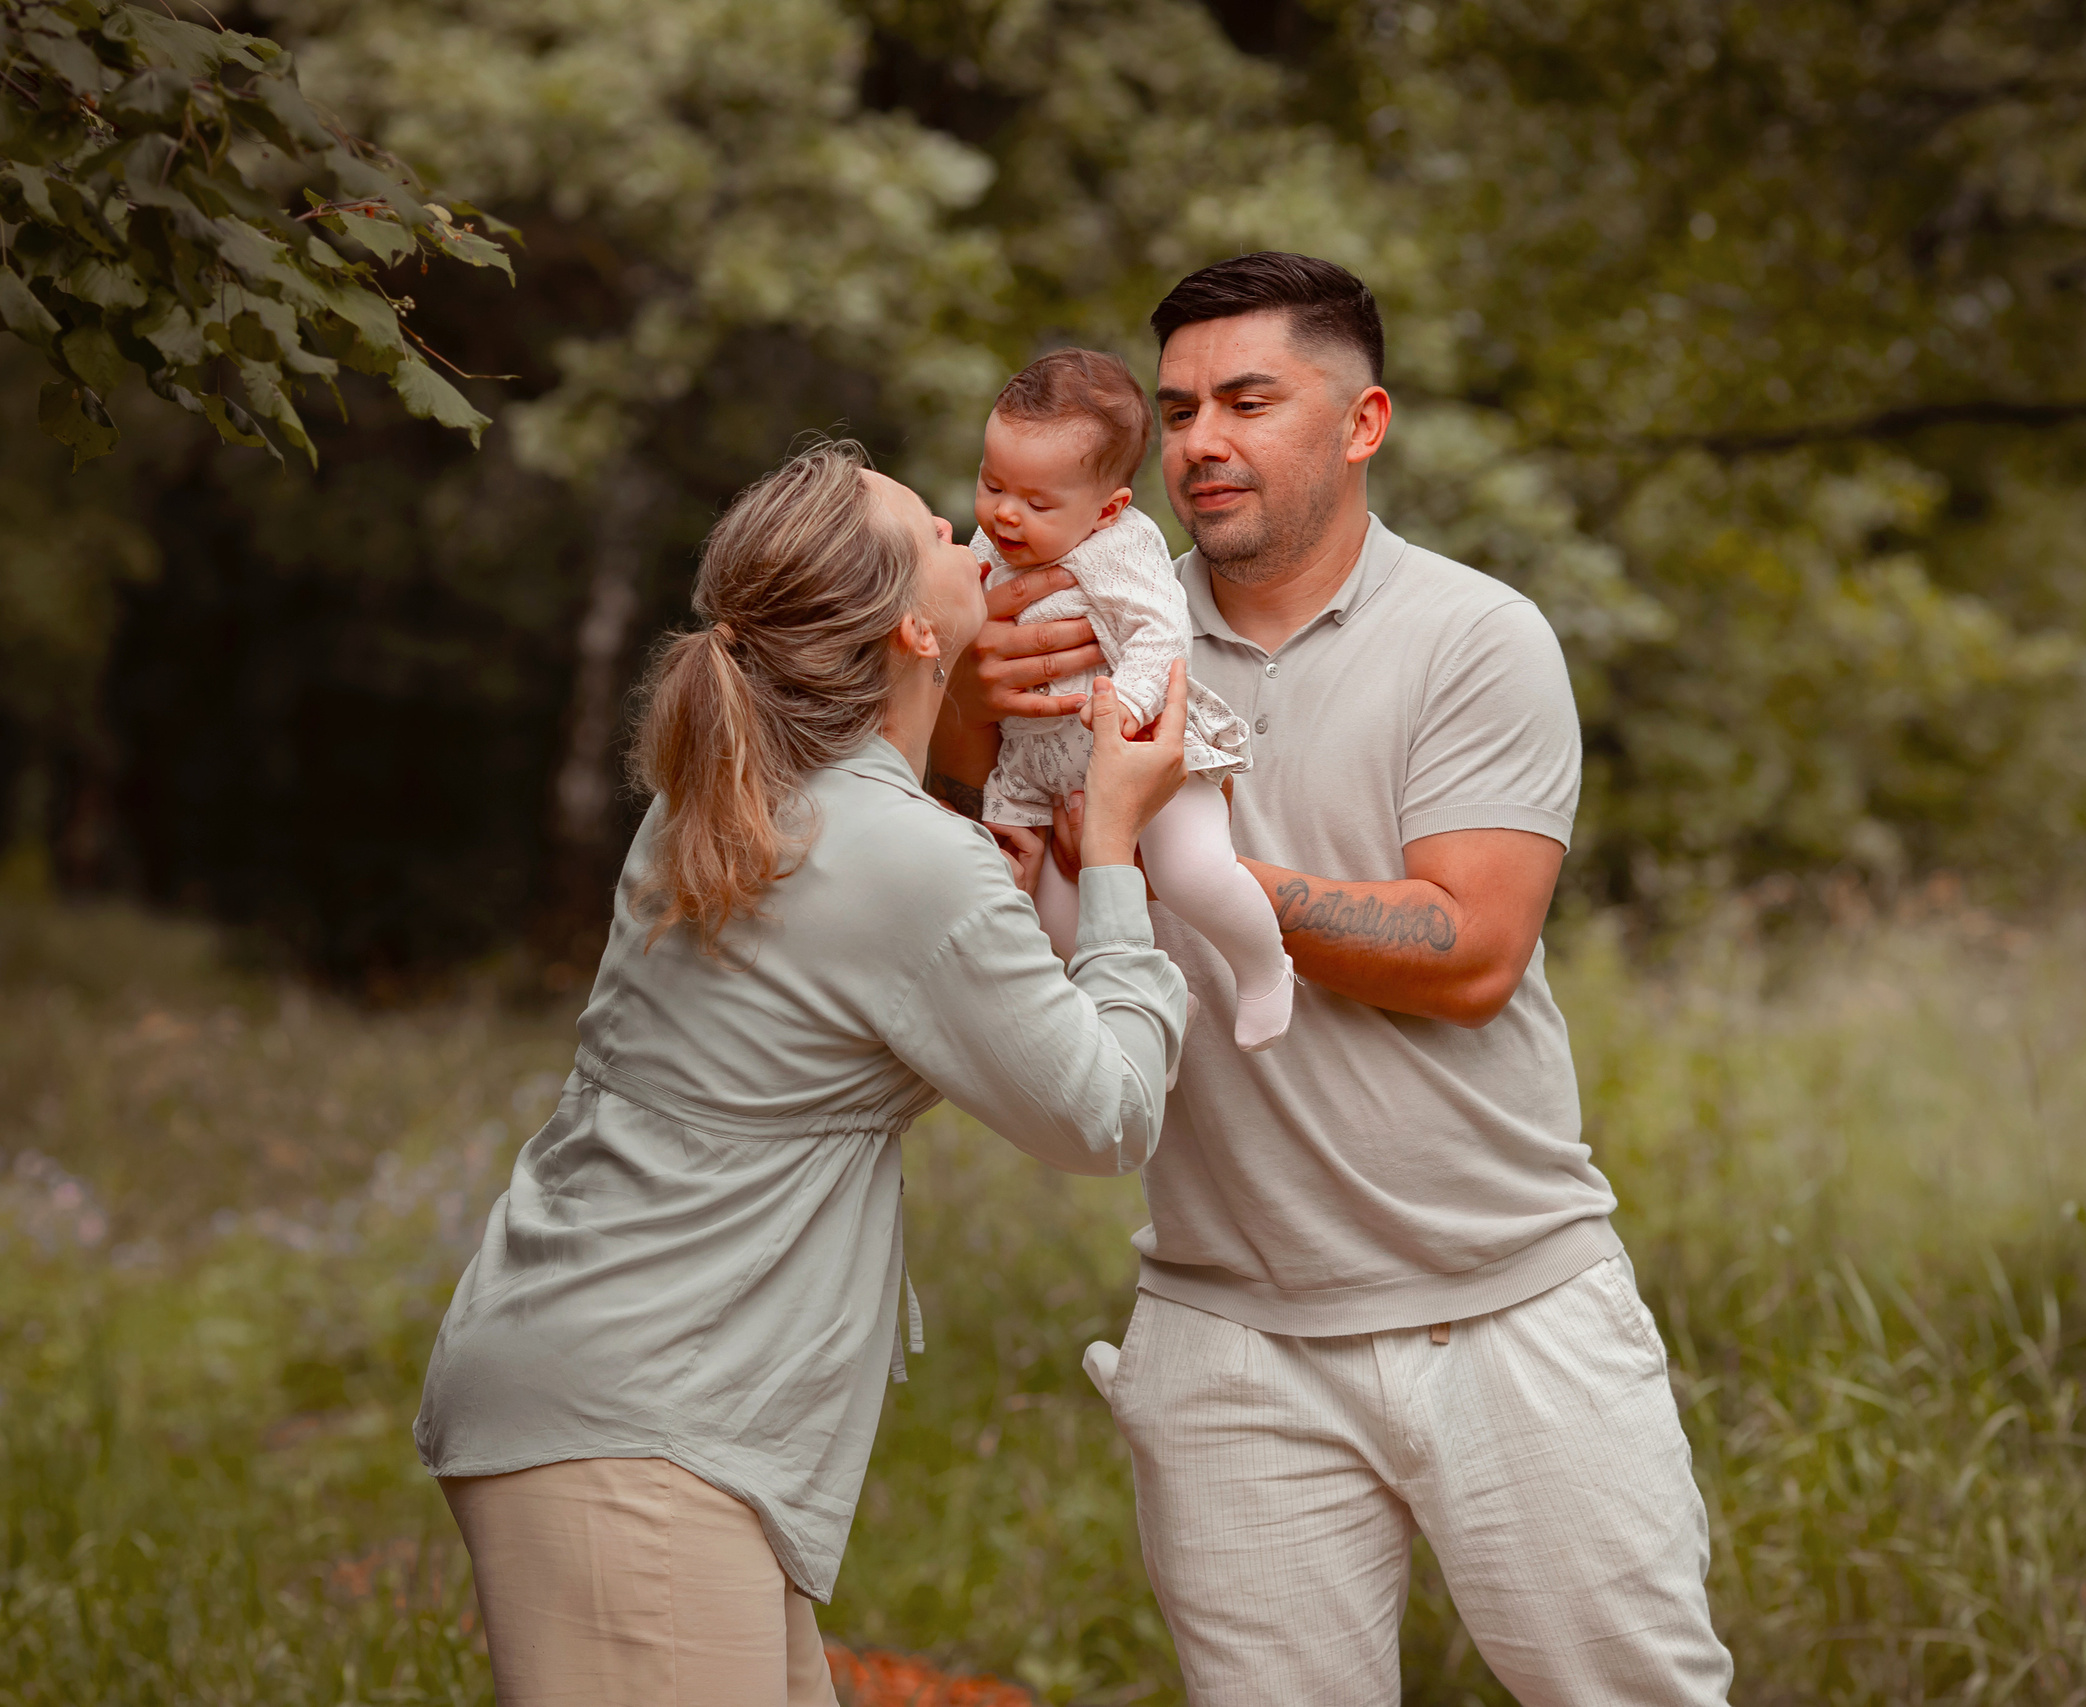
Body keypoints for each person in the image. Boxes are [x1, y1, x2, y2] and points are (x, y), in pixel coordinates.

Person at [932, 255, 1736, 1705]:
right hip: (1225, 1329)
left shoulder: (1474, 634)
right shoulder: (1080, 618)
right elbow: (975, 887)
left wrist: (1180, 872)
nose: (1202, 441)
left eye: (1249, 401)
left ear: (1363, 422)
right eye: (1180, 409)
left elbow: (1472, 953)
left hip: (1505, 1309)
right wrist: (962, 730)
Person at [414, 440, 1195, 1707]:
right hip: (641, 1430)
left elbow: (833, 982)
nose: (965, 528)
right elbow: (1107, 1117)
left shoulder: (719, 798)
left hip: (605, 1391)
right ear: (913, 633)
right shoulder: (898, 858)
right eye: (932, 530)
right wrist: (1110, 853)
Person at [969, 348, 1295, 1050]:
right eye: (992, 484)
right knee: (1054, 919)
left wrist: (1130, 702)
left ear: (1108, 508)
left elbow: (1160, 631)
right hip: (1043, 768)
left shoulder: (1118, 548)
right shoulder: (989, 545)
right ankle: (1155, 1010)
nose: (1005, 515)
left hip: (1141, 751)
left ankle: (1265, 968)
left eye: (1037, 503)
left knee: (1192, 872)